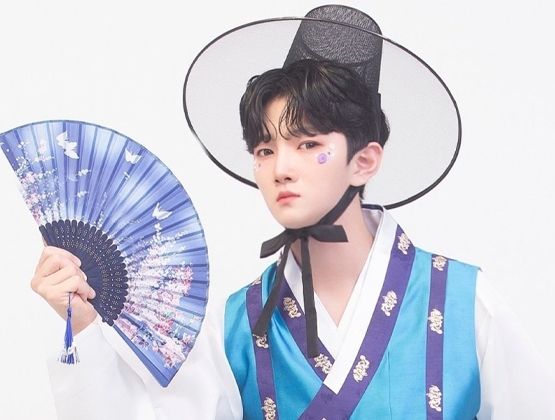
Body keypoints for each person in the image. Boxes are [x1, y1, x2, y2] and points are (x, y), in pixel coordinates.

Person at [32, 4, 555, 419]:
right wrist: (84, 324)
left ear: (364, 160)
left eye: (308, 145)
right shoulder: (237, 327)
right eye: (264, 149)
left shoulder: (463, 301)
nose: (281, 168)